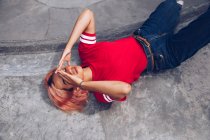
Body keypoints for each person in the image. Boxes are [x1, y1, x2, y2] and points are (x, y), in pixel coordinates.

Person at [45, 0, 210, 112]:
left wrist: (67, 47)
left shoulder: (86, 53)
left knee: (172, 3)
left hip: (147, 32)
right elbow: (125, 89)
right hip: (164, 55)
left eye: (62, 71)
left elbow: (88, 14)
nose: (68, 72)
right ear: (75, 90)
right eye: (66, 79)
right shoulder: (100, 93)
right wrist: (82, 83)